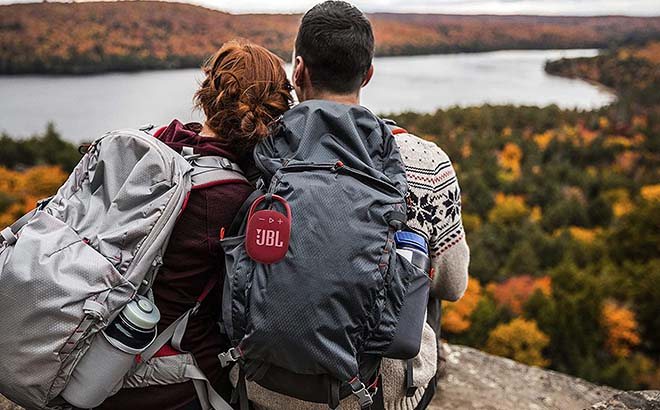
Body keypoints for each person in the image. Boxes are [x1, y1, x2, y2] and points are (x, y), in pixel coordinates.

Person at [240, 2, 469, 409]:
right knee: (422, 278)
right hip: (371, 395)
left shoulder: (261, 149)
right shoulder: (427, 162)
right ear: (367, 74)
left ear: (298, 71)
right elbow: (453, 284)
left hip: (264, 383)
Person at [98, 40, 293, 410]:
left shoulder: (156, 146)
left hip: (99, 350)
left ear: (208, 94)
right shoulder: (234, 196)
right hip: (170, 381)